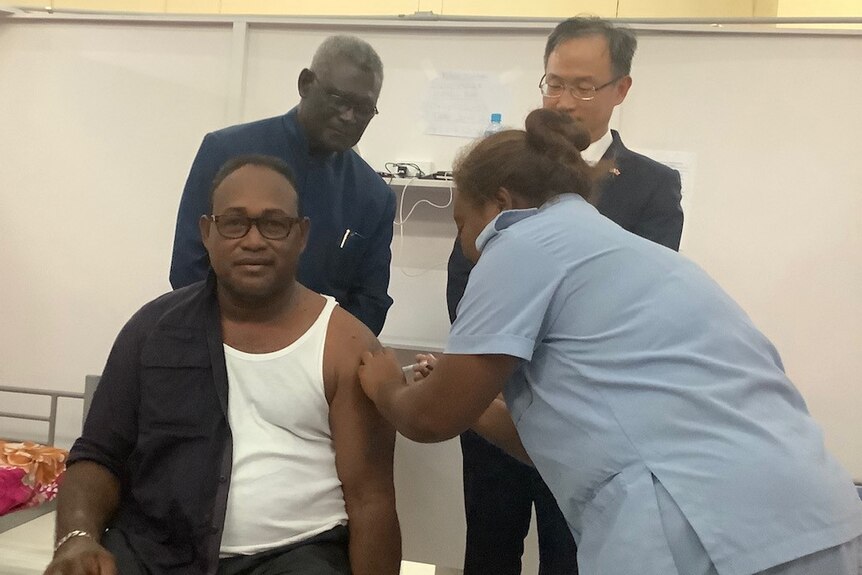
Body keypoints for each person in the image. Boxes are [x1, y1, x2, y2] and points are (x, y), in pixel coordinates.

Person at [359, 108, 862, 575]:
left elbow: (429, 419)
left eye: (461, 223)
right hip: (820, 518)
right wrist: (470, 403)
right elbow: (579, 442)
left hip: (705, 532)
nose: (465, 242)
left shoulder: (519, 243)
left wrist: (386, 387)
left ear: (502, 203)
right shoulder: (635, 256)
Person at [45, 155, 401, 575]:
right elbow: (98, 456)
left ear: (301, 235)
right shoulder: (152, 331)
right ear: (207, 232)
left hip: (296, 558)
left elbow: (370, 500)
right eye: (234, 223)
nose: (253, 241)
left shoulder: (346, 345)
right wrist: (77, 538)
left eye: (274, 224)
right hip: (153, 551)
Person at [446, 16, 682, 574]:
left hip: (584, 421)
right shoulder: (500, 164)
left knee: (571, 557)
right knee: (486, 550)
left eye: (583, 86)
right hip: (494, 397)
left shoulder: (651, 184)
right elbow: (464, 282)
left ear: (620, 90)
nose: (564, 101)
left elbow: (635, 310)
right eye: (554, 83)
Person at [170, 35, 395, 336]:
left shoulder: (374, 196)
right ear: (305, 84)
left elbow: (371, 300)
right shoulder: (226, 151)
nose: (349, 117)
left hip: (317, 366)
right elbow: (188, 266)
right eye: (340, 100)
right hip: (218, 346)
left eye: (364, 109)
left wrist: (323, 354)